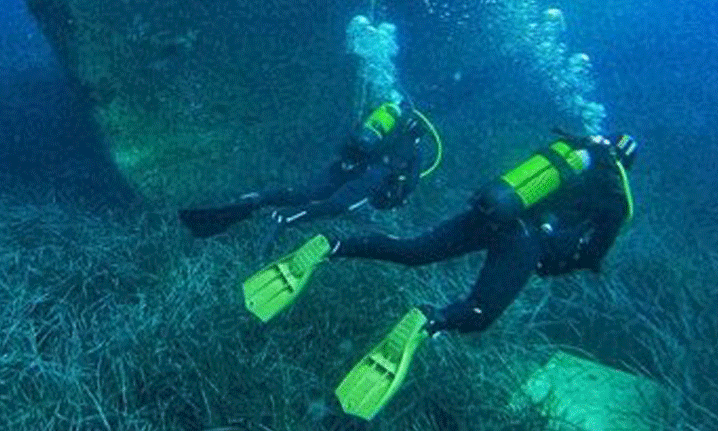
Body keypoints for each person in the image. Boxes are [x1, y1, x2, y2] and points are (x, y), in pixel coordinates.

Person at [242, 130, 638, 420]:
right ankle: (429, 321)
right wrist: (557, 262)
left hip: (492, 211)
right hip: (525, 241)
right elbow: (592, 254)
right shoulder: (617, 194)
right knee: (479, 313)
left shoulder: (568, 150)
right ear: (628, 164)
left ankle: (334, 246)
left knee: (414, 250)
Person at [178, 102, 442, 238]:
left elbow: (350, 139)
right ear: (421, 129)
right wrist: (399, 195)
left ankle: (251, 202)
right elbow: (409, 185)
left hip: (348, 163)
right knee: (337, 205)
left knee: (302, 193)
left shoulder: (383, 121)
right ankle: (283, 220)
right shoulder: (415, 147)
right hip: (369, 175)